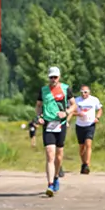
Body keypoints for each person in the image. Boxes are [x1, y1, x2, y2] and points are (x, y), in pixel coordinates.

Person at [35, 66, 76, 196]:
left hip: (61, 124)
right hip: (48, 124)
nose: (53, 79)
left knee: (59, 155)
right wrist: (39, 117)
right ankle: (50, 184)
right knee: (50, 154)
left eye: (55, 77)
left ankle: (57, 176)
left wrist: (67, 112)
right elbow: (38, 106)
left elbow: (74, 105)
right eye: (51, 77)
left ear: (59, 77)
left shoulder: (65, 89)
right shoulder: (43, 91)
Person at [73, 84, 103, 174]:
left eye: (85, 92)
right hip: (79, 125)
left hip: (90, 124)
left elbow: (100, 109)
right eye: (81, 92)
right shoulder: (76, 100)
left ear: (89, 92)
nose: (83, 94)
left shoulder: (94, 100)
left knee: (88, 144)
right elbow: (70, 111)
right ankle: (83, 163)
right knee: (82, 147)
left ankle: (87, 165)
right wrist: (78, 114)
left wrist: (97, 117)